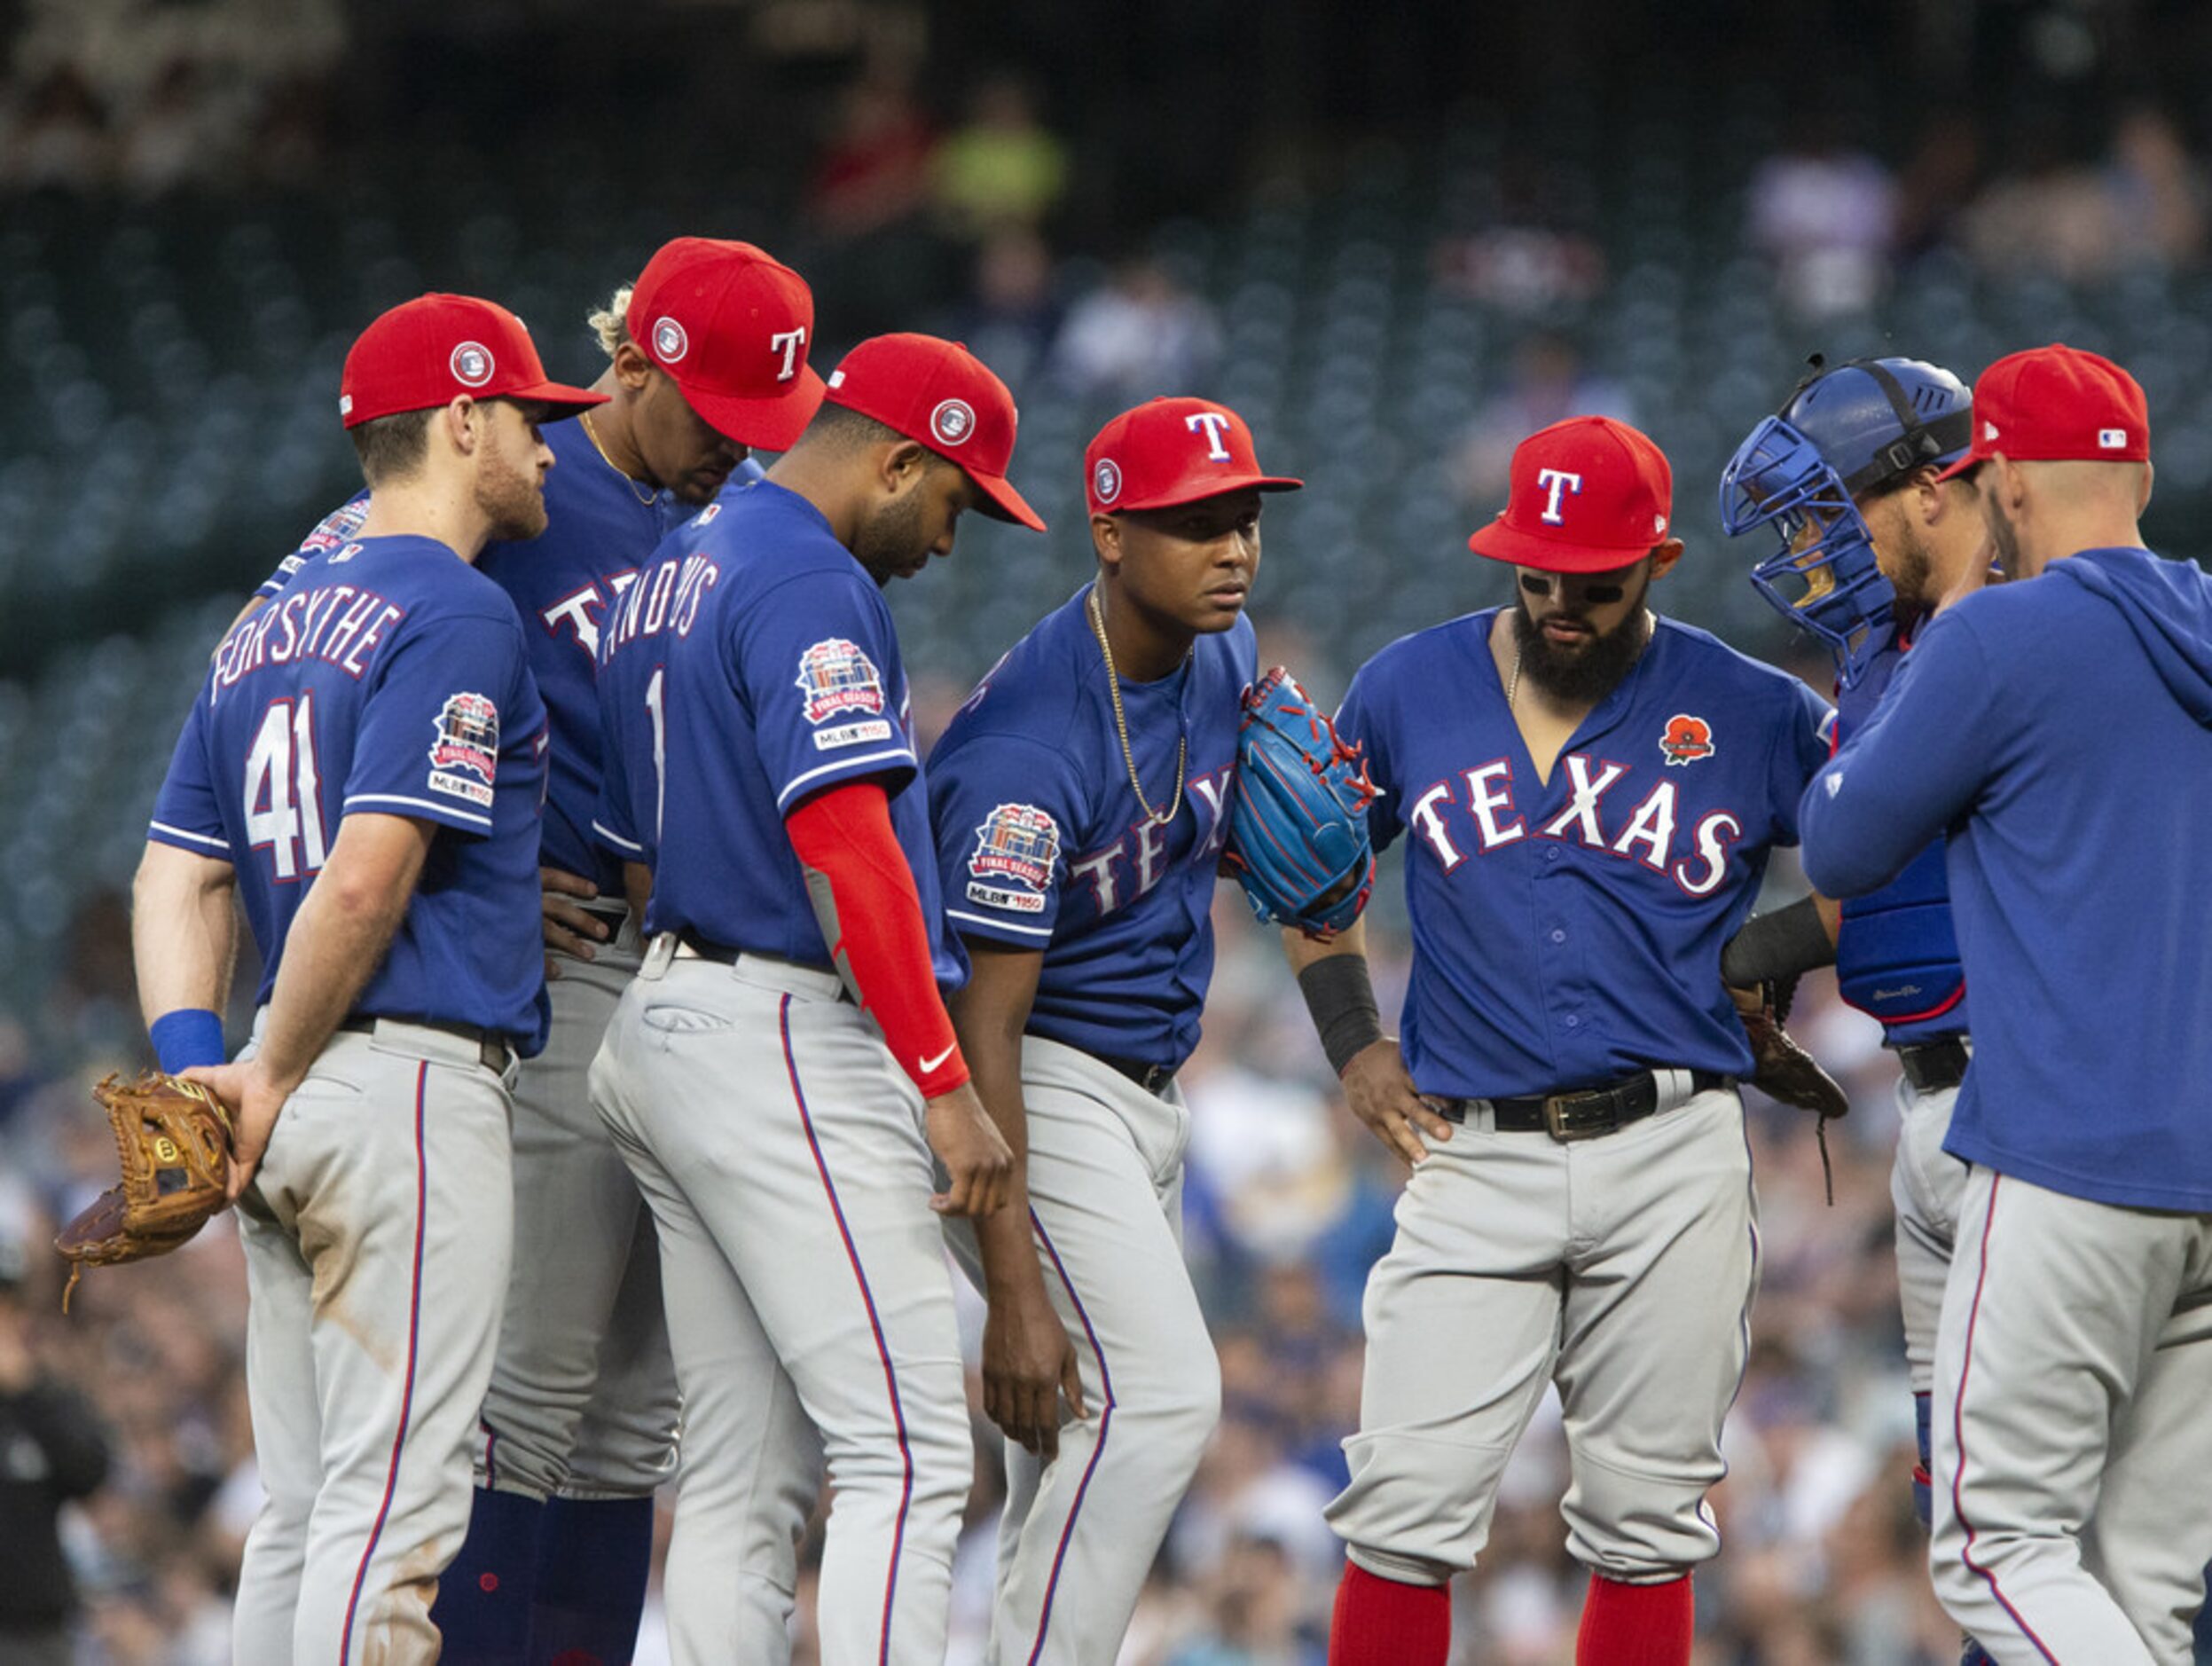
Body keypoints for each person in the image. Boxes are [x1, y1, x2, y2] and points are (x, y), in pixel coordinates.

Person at [241, 237, 826, 1664]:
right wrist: (472, 873)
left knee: (634, 1417)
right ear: (631, 363)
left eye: (763, 424)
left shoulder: (736, 525)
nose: (730, 452)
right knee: (527, 1400)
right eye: (713, 416)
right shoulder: (507, 481)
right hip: (547, 981)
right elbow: (319, 666)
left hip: (683, 967)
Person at [1286, 415, 1832, 1665]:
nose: (1559, 603)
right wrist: (1350, 1037)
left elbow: (1879, 862)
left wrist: (1744, 961)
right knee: (1402, 1506)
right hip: (1470, 1151)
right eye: (1535, 575)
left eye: (1592, 581)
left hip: (1670, 1147)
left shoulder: (1747, 707)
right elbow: (1307, 877)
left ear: (1658, 559)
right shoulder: (1406, 688)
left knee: (1646, 1520)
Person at [131, 292, 603, 1662]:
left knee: (303, 1505)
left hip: (290, 1094)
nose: (550, 453)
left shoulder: (260, 628)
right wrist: (261, 1068)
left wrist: (199, 1076)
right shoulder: (455, 608)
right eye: (527, 418)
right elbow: (363, 875)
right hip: (397, 1083)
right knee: (394, 1507)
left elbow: (176, 874)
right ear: (461, 420)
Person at [588, 332, 1043, 1662]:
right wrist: (945, 1086)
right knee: (905, 1451)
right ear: (899, 459)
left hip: (668, 1016)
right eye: (954, 500)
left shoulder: (675, 563)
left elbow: (630, 852)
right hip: (780, 1030)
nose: (950, 541)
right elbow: (846, 850)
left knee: (739, 1474)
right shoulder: (806, 574)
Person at [1798, 343, 2212, 1663]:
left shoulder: (1996, 632)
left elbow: (1839, 844)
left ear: (2006, 487)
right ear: (2137, 473)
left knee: (1996, 1548)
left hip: (2070, 1158)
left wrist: (1944, 646)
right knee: (2139, 1588)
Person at [924, 395, 1298, 1662]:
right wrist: (1013, 1290)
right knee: (1158, 1399)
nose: (1232, 549)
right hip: (1032, 1082)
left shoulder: (1223, 652)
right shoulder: (1028, 747)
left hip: (1146, 1084)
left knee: (1077, 1442)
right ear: (1106, 532)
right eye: (1193, 524)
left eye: (1242, 520)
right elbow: (982, 1037)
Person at [1718, 356, 1996, 1666]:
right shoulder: (1881, 648)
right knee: (1965, 1512)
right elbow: (1883, 877)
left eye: (1826, 508)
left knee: (2040, 1510)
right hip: (1922, 1098)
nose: (1806, 546)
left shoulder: (2017, 635)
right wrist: (1765, 947)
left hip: (2027, 1097)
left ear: (1927, 487)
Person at [0, 1232, 110, 1666]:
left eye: (8, 1306)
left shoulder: (42, 1395)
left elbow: (90, 1471)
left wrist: (24, 1390)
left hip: (35, 1633)